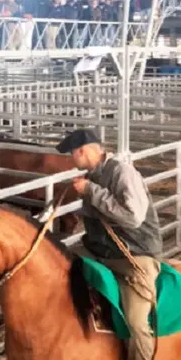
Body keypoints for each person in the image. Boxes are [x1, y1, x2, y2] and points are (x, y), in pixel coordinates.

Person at [56, 129, 161, 360]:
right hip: (100, 250)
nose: (71, 160)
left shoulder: (123, 172)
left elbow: (133, 217)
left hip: (134, 255)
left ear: (82, 151)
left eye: (72, 154)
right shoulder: (92, 175)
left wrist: (91, 191)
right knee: (56, 262)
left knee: (135, 322)